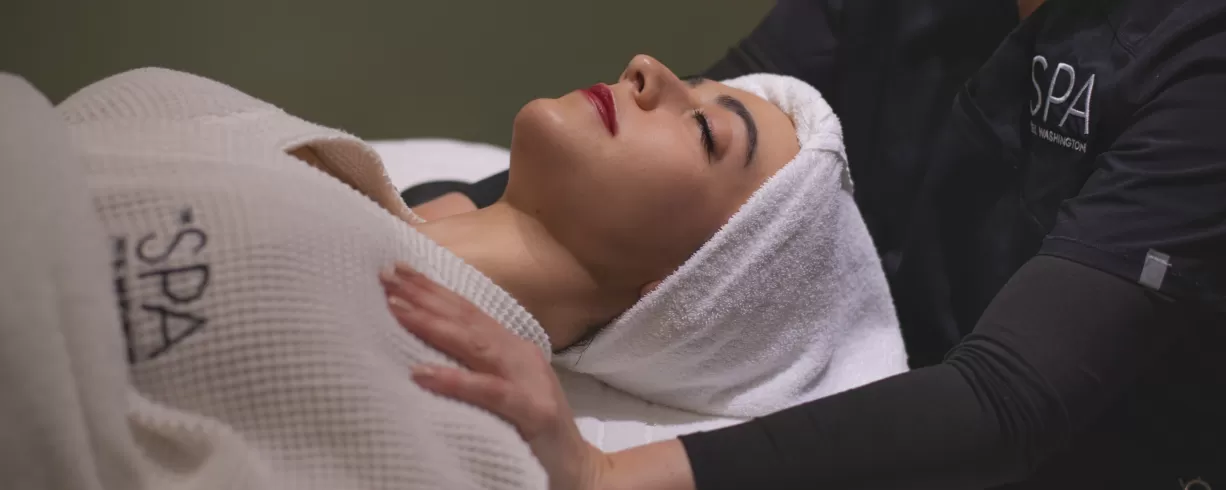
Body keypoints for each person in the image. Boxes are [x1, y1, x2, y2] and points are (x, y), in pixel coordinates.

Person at [387, 0, 1226, 488]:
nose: (646, 69)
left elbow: (1008, 400)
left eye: (708, 131)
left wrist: (602, 476)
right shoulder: (376, 208)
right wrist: (430, 220)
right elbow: (674, 137)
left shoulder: (1195, 62)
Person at [2, 52, 905, 489]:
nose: (650, 70)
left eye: (705, 131)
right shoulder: (304, 153)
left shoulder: (462, 429)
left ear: (684, 292)